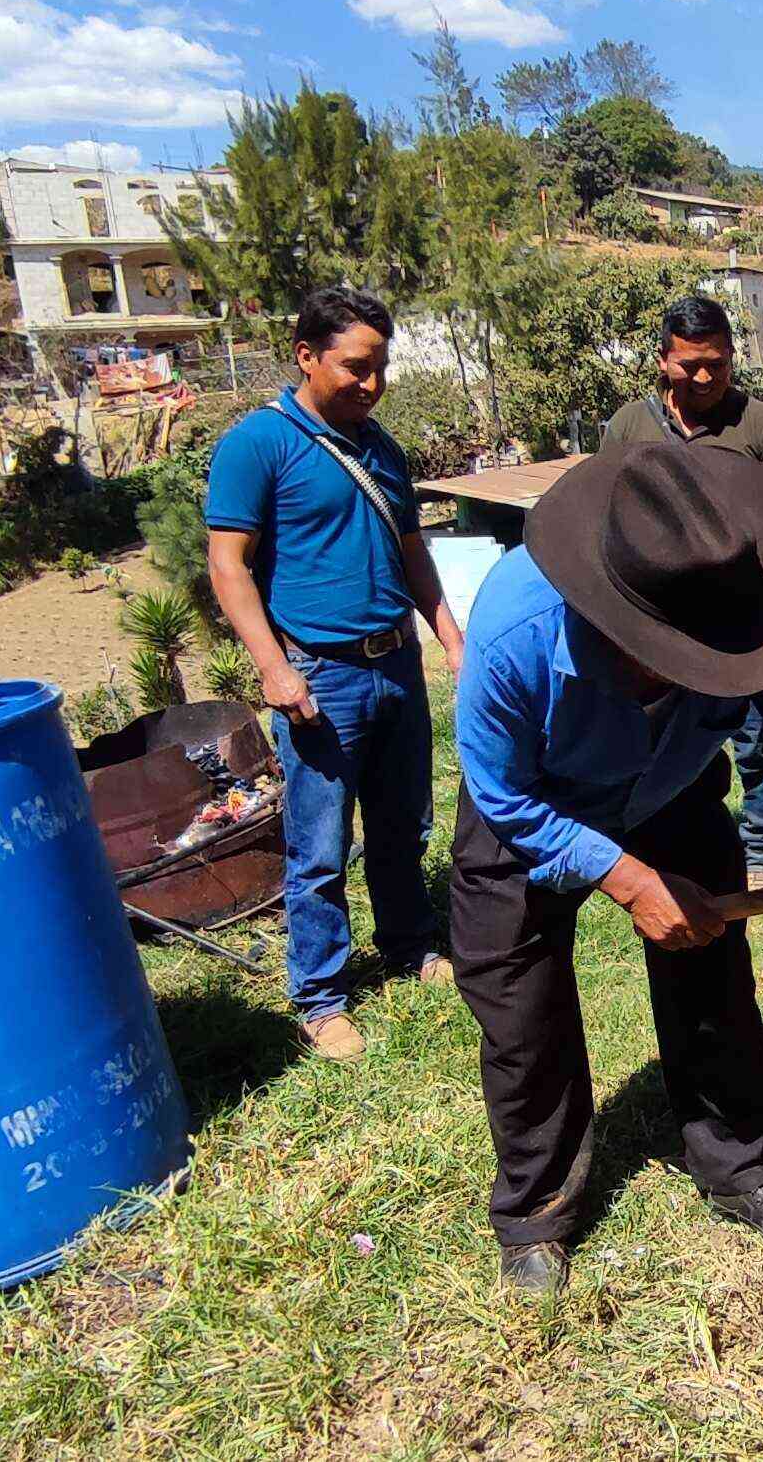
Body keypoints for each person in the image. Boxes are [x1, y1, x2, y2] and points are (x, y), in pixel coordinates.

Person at [449, 442, 763, 1296]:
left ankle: (737, 1168)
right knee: (522, 1019)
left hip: (670, 791)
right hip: (530, 815)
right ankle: (536, 1213)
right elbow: (502, 795)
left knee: (713, 982)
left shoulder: (744, 605)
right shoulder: (513, 628)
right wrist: (624, 877)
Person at [204, 288, 466, 1061]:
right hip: (320, 676)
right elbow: (228, 566)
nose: (371, 383)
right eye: (356, 367)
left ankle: (410, 945)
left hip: (397, 667)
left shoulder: (382, 446)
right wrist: (274, 669)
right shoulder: (258, 445)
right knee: (319, 845)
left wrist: (449, 635)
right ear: (307, 356)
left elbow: (413, 551)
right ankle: (319, 996)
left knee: (403, 826)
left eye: (381, 368)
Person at [595, 296, 763, 890]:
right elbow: (606, 513)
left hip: (746, 611)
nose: (705, 375)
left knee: (757, 735)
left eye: (717, 362)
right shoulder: (629, 427)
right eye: (690, 363)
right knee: (667, 732)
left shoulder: (761, 425)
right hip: (660, 615)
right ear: (663, 359)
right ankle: (655, 834)